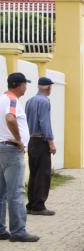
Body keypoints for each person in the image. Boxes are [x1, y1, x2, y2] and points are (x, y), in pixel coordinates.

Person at [0, 73, 39, 242]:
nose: (26, 87)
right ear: (18, 85)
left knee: (1, 193)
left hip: (1, 148)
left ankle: (1, 230)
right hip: (11, 150)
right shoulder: (12, 100)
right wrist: (19, 140)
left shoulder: (1, 99)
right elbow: (10, 118)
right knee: (15, 192)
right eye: (25, 84)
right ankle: (18, 231)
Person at [25, 76, 57, 216]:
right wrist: (50, 142)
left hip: (31, 140)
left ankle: (31, 204)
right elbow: (44, 122)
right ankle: (39, 206)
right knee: (43, 174)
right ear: (48, 87)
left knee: (34, 173)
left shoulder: (29, 101)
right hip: (41, 141)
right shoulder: (44, 101)